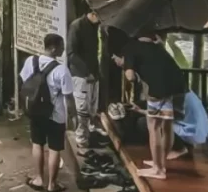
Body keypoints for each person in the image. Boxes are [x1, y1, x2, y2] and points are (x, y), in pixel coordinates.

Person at [117, 29, 187, 180]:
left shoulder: (131, 47)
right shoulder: (158, 47)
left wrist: (124, 66)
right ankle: (161, 162)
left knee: (153, 127)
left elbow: (130, 77)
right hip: (178, 88)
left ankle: (158, 169)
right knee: (167, 126)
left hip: (157, 90)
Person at [19, 34, 75, 192]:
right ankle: (52, 184)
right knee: (55, 148)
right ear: (53, 48)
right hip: (56, 115)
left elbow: (24, 82)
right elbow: (69, 97)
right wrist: (73, 115)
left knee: (37, 144)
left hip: (36, 112)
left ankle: (38, 179)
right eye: (61, 46)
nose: (64, 49)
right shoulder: (62, 70)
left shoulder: (31, 61)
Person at [68, 11, 101, 150]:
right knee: (82, 109)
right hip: (81, 75)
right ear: (93, 14)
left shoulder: (96, 27)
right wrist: (86, 72)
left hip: (93, 73)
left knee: (92, 108)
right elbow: (71, 54)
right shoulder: (77, 26)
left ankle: (89, 136)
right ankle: (81, 139)